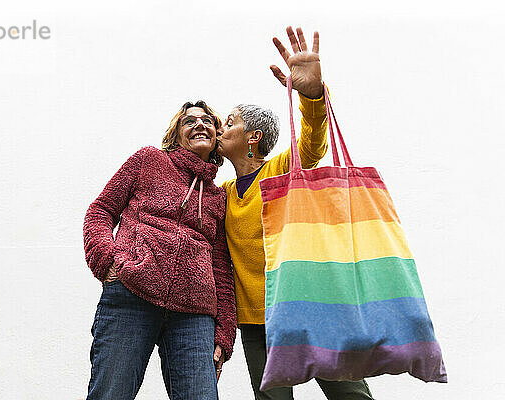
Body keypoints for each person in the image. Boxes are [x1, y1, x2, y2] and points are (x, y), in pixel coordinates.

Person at [216, 27, 374, 400]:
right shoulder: (219, 195)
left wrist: (312, 94)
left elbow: (313, 140)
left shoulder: (281, 170)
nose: (220, 128)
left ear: (252, 136)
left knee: (351, 396)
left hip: (308, 309)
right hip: (257, 322)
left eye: (229, 122)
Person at [83, 100, 236, 400]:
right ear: (175, 135)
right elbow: (100, 211)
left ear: (218, 137)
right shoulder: (147, 160)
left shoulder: (219, 198)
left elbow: (221, 267)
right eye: (188, 122)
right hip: (131, 296)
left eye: (207, 121)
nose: (200, 125)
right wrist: (107, 259)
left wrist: (225, 330)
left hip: (194, 314)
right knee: (111, 394)